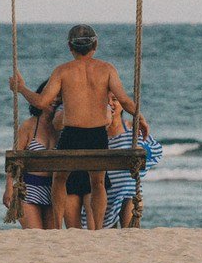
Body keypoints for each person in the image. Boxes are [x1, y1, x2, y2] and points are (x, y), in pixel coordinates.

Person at [9, 24, 148, 230]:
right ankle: (98, 228)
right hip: (97, 134)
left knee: (60, 179)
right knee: (98, 183)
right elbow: (125, 101)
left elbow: (41, 102)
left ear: (69, 47)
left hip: (71, 134)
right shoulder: (107, 69)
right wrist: (141, 117)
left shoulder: (63, 71)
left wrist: (21, 88)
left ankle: (57, 225)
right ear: (96, 45)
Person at [92, 95, 163, 228]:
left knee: (129, 232)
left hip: (128, 190)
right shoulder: (98, 133)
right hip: (106, 193)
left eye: (114, 100)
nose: (111, 104)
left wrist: (143, 150)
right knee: (108, 236)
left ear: (123, 104)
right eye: (105, 101)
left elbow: (158, 150)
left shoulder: (132, 129)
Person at [3, 81, 60, 229]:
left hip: (54, 190)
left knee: (52, 239)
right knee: (35, 236)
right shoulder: (29, 126)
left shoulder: (62, 127)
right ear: (38, 98)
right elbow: (15, 159)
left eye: (58, 96)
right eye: (50, 96)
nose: (55, 100)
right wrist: (9, 187)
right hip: (29, 189)